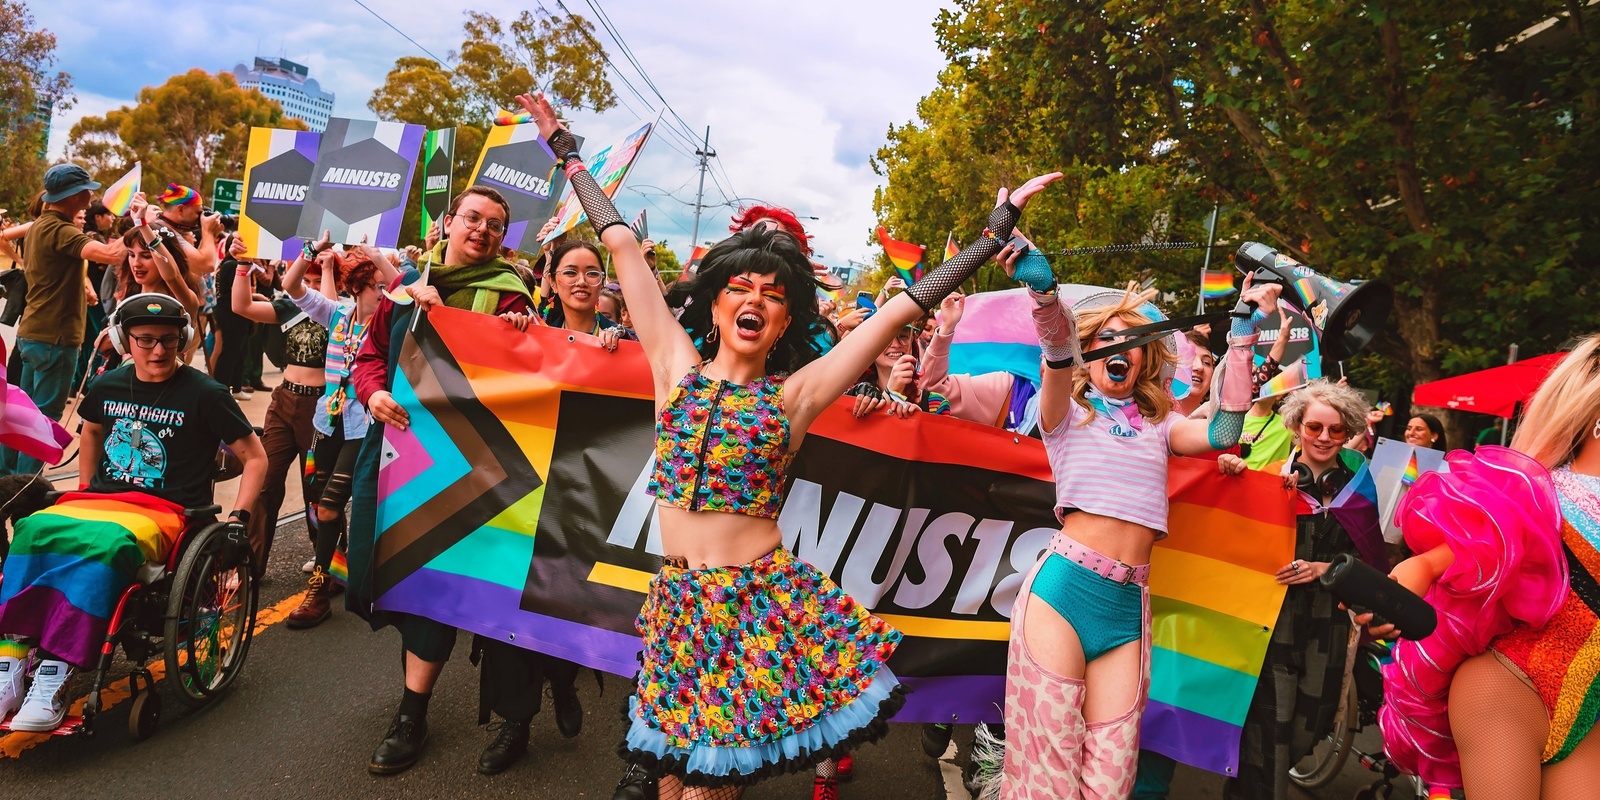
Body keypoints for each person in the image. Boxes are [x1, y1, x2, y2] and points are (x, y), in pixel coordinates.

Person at [504, 89, 1057, 800]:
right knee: (669, 785)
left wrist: (988, 239)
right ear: (716, 300)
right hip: (677, 604)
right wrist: (566, 149)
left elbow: (895, 313)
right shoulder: (673, 367)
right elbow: (618, 242)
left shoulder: (794, 396)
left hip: (755, 607)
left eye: (773, 292)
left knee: (708, 792)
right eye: (741, 286)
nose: (754, 300)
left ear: (787, 313)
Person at [990, 239, 1274, 798]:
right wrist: (1044, 295)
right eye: (1104, 339)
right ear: (1088, 351)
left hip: (1128, 606)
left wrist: (1242, 334)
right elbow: (1054, 355)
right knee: (1048, 774)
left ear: (1146, 356)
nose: (1119, 349)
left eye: (1131, 340)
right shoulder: (1065, 414)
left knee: (1112, 778)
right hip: (1062, 594)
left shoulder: (1162, 425)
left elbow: (1223, 434)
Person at [349, 185, 585, 777]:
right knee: (424, 584)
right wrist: (374, 392)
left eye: (495, 225)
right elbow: (370, 358)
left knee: (497, 589)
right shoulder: (402, 295)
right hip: (417, 465)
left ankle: (515, 721)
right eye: (472, 218)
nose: (481, 230)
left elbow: (537, 372)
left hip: (495, 470)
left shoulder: (512, 299)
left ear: (504, 239)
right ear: (448, 223)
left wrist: (522, 332)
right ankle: (411, 716)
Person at [0, 293, 265, 731]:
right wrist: (85, 489)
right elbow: (92, 432)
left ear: (184, 339)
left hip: (165, 511)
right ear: (126, 340)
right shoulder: (107, 385)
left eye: (168, 340)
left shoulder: (207, 394)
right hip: (100, 502)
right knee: (32, 528)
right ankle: (11, 661)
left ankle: (57, 671)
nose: (158, 350)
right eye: (145, 340)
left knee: (104, 544)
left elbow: (255, 458)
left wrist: (239, 518)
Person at [1369, 334, 1600, 798]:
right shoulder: (1538, 489)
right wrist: (1415, 577)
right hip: (1507, 691)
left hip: (1586, 714)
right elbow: (1479, 542)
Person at [1215, 379, 1377, 800]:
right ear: (1296, 427)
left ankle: (1243, 788)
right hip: (1272, 623)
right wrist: (1232, 476)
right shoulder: (1268, 481)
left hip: (1329, 627)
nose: (1324, 437)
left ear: (1349, 432)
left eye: (1336, 429)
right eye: (1314, 427)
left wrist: (1326, 568)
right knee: (1270, 728)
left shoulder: (1359, 489)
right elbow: (1230, 540)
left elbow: (1374, 563)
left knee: (1312, 723)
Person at [284, 245, 397, 627]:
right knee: (317, 506)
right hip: (326, 420)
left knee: (331, 506)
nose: (385, 294)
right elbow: (291, 285)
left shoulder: (389, 324)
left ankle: (317, 591)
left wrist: (382, 259)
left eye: (385, 286)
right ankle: (335, 568)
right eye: (378, 287)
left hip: (363, 424)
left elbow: (402, 287)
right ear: (358, 286)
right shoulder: (336, 314)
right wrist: (311, 251)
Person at [1, 165, 127, 477]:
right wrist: (142, 226)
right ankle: (25, 489)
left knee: (20, 417)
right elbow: (110, 254)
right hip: (55, 341)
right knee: (42, 421)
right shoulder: (61, 230)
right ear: (73, 196)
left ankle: (6, 480)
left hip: (33, 334)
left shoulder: (40, 225)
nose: (92, 195)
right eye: (87, 189)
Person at [231, 234, 331, 577]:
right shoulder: (289, 306)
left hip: (322, 408)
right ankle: (250, 566)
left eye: (318, 280)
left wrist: (329, 266)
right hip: (283, 399)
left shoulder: (344, 308)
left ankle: (327, 561)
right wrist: (243, 266)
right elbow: (240, 307)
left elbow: (329, 312)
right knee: (264, 481)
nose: (312, 287)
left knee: (316, 486)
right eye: (308, 280)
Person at [540, 239, 631, 348]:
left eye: (592, 273)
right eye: (570, 272)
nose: (582, 281)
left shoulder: (624, 342)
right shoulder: (540, 340)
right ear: (553, 282)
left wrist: (624, 338)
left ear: (602, 282)